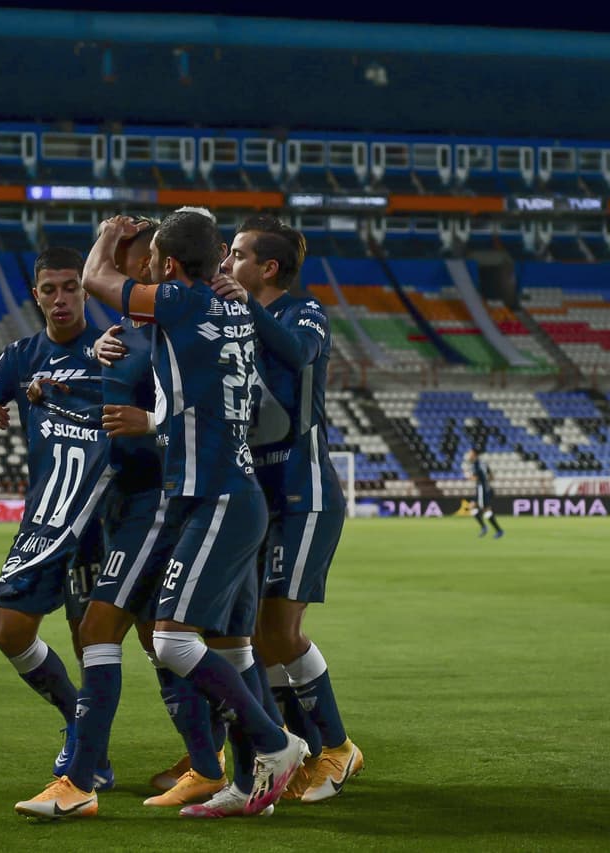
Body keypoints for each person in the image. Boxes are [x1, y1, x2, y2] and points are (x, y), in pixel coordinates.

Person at [15, 211, 307, 820]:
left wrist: (105, 235)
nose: (142, 268)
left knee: (171, 639)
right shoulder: (226, 307)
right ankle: (242, 779)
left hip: (211, 497)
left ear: (168, 267)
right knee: (228, 647)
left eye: (150, 260)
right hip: (218, 493)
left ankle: (273, 742)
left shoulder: (179, 303)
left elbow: (97, 279)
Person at [213, 214, 364, 804]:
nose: (227, 262)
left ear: (268, 267)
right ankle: (301, 748)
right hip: (259, 498)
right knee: (254, 635)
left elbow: (299, 353)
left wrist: (244, 308)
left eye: (238, 254)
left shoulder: (305, 313)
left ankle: (337, 748)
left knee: (279, 631)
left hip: (305, 494)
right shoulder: (236, 318)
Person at [0, 246, 114, 790]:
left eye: (71, 287)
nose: (61, 298)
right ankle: (76, 719)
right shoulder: (21, 355)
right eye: (50, 290)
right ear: (36, 295)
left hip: (101, 520)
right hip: (45, 517)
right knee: (10, 629)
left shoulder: (112, 348)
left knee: (91, 639)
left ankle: (95, 756)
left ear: (85, 291)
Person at [467, 448, 504, 538]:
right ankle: (484, 527)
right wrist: (486, 482)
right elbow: (491, 476)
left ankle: (498, 530)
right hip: (483, 487)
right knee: (472, 507)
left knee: (485, 509)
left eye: (470, 453)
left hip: (481, 488)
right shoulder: (483, 463)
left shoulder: (476, 465)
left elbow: (476, 478)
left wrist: (468, 477)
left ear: (474, 454)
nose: (469, 455)